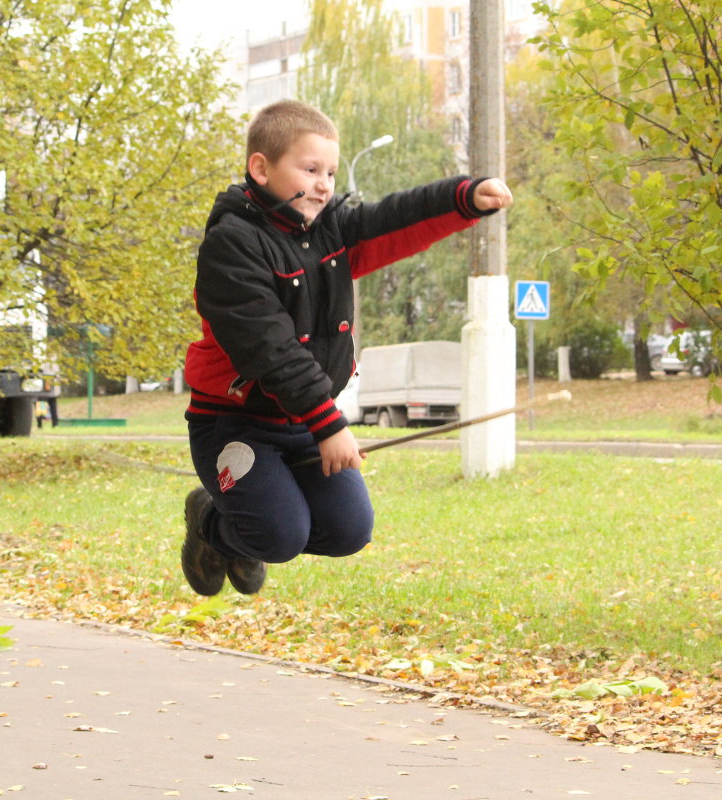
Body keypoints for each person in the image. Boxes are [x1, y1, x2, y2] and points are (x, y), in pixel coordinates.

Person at [180, 99, 512, 596]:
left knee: (348, 531)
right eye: (310, 169)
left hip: (303, 425)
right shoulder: (232, 245)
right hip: (235, 422)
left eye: (330, 172)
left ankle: (249, 527)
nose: (323, 184)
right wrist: (330, 424)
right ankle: (211, 520)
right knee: (279, 534)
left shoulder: (329, 233)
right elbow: (270, 349)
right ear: (261, 168)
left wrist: (462, 197)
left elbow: (395, 220)